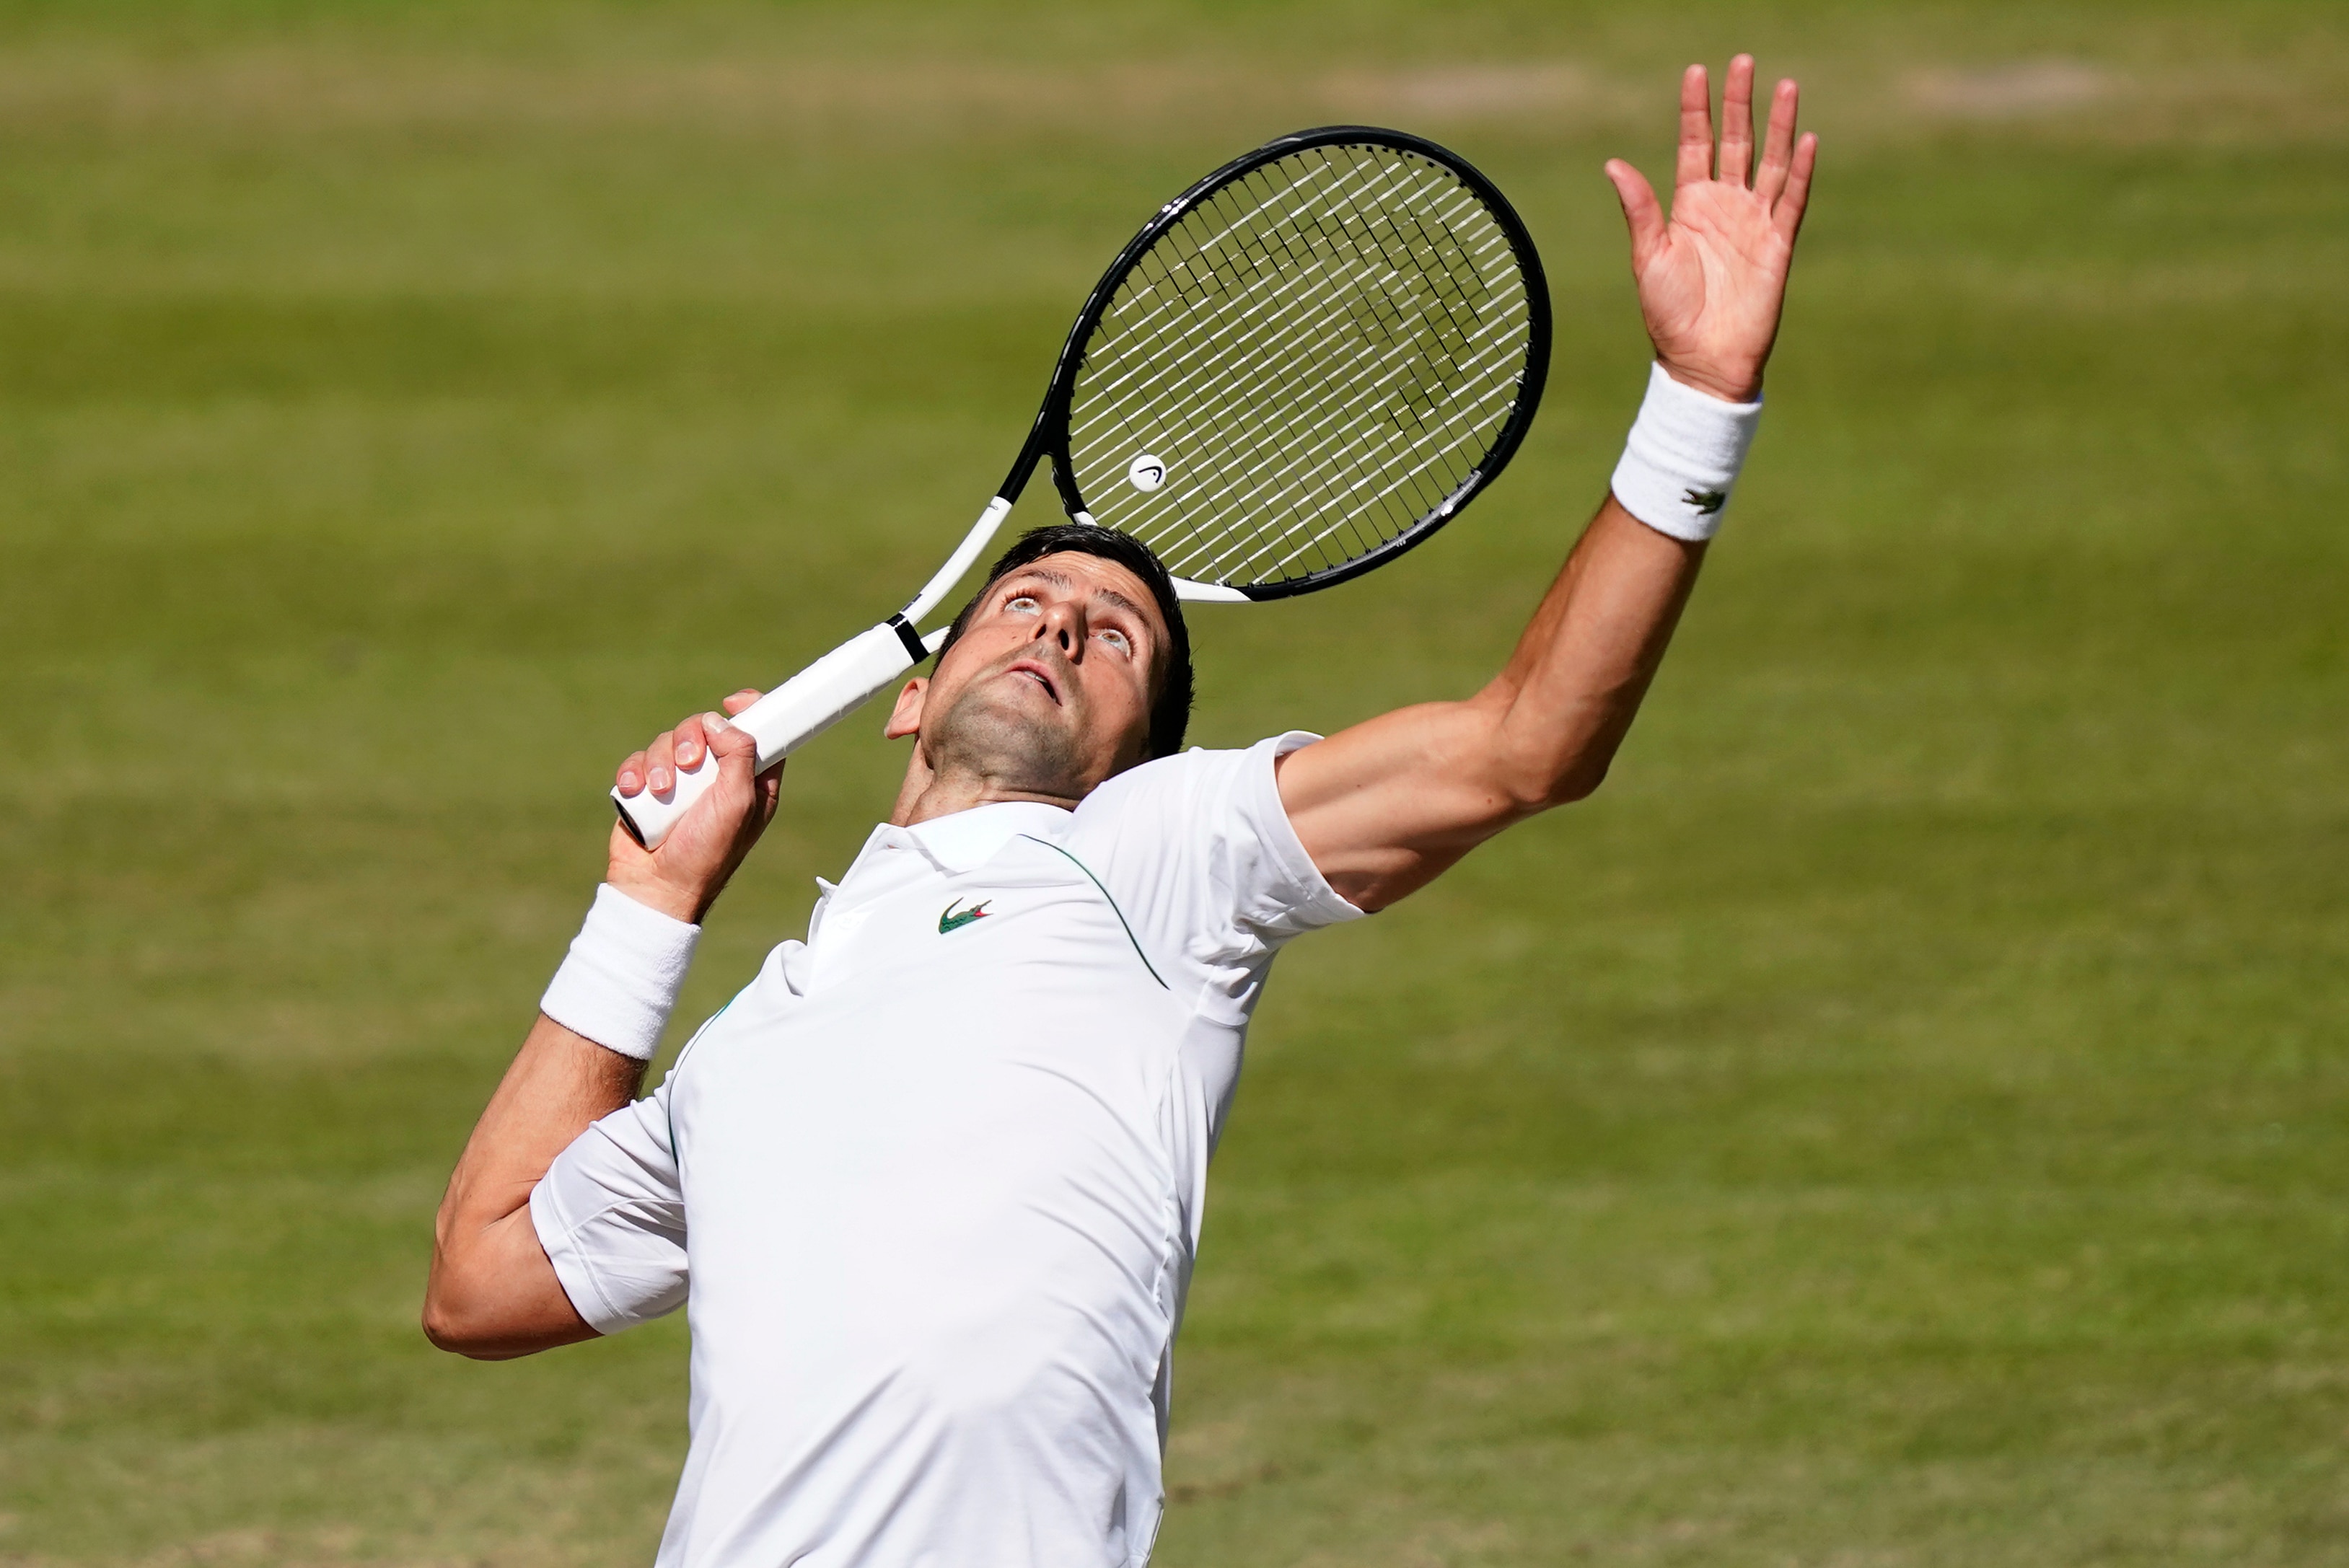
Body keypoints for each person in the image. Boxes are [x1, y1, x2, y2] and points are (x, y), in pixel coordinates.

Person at [424, 56, 1816, 1567]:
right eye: (1024, 598)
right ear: (914, 694)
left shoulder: (1155, 865)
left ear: (1141, 756)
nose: (1062, 627)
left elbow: (1523, 746)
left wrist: (1698, 397)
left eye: (1115, 636)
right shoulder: (747, 1046)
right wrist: (647, 906)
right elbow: (482, 1281)